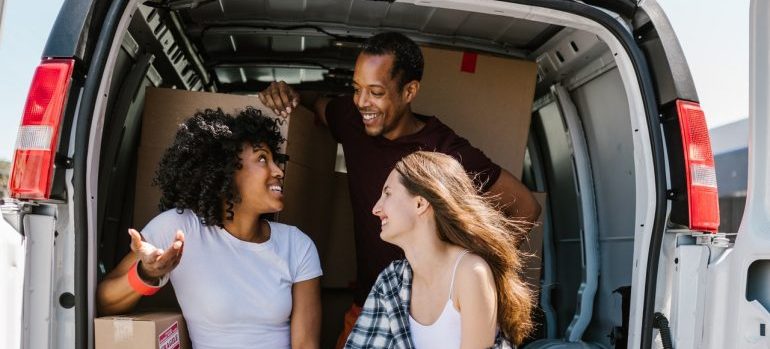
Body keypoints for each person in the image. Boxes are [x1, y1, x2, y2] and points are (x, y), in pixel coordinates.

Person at [258, 31, 541, 347]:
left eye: (376, 92)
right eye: (357, 89)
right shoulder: (351, 120)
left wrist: (463, 273)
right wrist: (284, 93)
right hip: (369, 300)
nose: (362, 102)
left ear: (409, 91)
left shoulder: (444, 152)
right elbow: (314, 103)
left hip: (436, 304)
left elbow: (525, 207)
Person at [96, 108, 322, 349]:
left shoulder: (297, 245)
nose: (278, 171)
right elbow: (104, 302)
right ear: (226, 171)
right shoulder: (180, 229)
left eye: (276, 161)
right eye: (262, 159)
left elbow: (306, 345)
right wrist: (147, 273)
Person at [345, 151, 534, 348]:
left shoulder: (469, 272)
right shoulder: (391, 280)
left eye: (388, 193)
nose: (376, 208)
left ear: (420, 203)